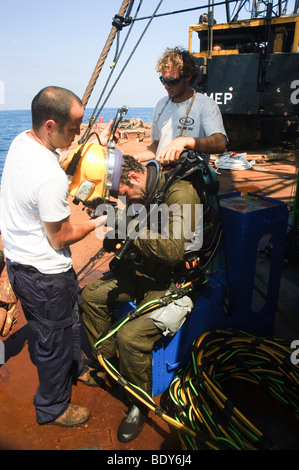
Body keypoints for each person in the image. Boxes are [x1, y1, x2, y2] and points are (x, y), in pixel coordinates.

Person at [0, 86, 109, 427]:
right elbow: (60, 235)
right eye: (74, 127)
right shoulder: (48, 177)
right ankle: (52, 407)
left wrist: (92, 143)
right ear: (50, 125)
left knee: (64, 326)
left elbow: (55, 161)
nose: (78, 133)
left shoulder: (22, 141)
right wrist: (95, 223)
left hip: (20, 263)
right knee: (52, 342)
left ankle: (75, 365)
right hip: (45, 275)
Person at [80, 152, 208, 443]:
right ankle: (110, 363)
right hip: (146, 273)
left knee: (131, 337)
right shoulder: (143, 192)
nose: (122, 198)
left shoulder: (181, 194)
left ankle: (139, 403)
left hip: (175, 283)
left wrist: (126, 224)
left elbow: (175, 250)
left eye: (121, 192)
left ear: (135, 177)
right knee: (91, 295)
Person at [134, 46, 227, 165]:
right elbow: (157, 145)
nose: (166, 86)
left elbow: (220, 143)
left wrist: (184, 141)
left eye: (172, 81)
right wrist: (136, 157)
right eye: (163, 80)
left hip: (190, 175)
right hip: (163, 173)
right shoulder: (161, 104)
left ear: (188, 76)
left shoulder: (205, 105)